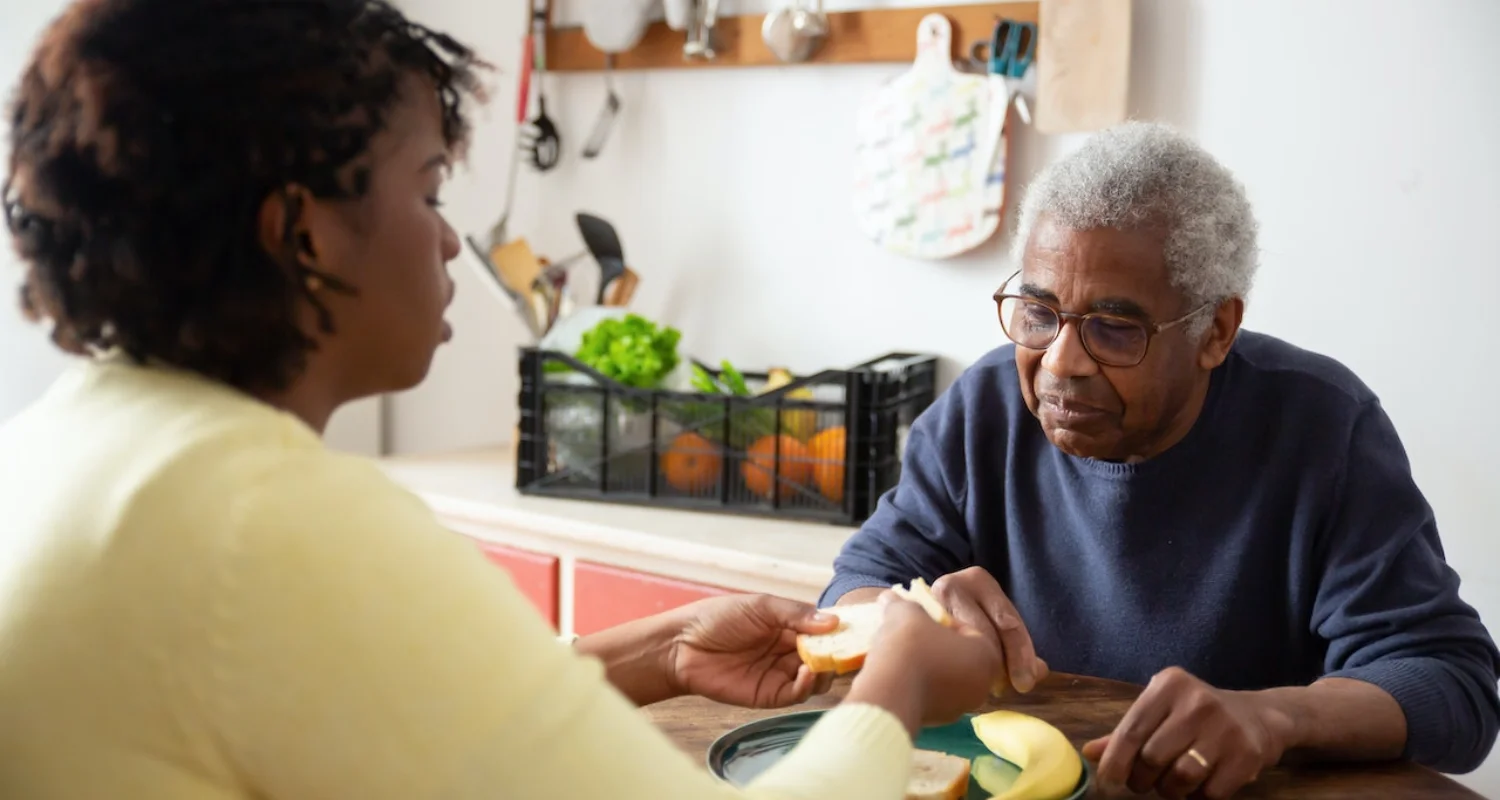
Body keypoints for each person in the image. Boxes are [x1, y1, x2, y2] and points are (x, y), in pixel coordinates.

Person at [0, 1, 1006, 797]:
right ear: (302, 234)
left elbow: (414, 718)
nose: (449, 239)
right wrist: (897, 681)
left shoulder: (63, 448)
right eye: (431, 188)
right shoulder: (268, 523)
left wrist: (663, 645)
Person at [823, 121, 1500, 798]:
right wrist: (902, 617)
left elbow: (1451, 684)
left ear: (1217, 331)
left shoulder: (1322, 427)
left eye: (1114, 330)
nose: (1061, 362)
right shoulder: (985, 411)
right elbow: (855, 587)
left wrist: (1273, 715)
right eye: (1038, 312)